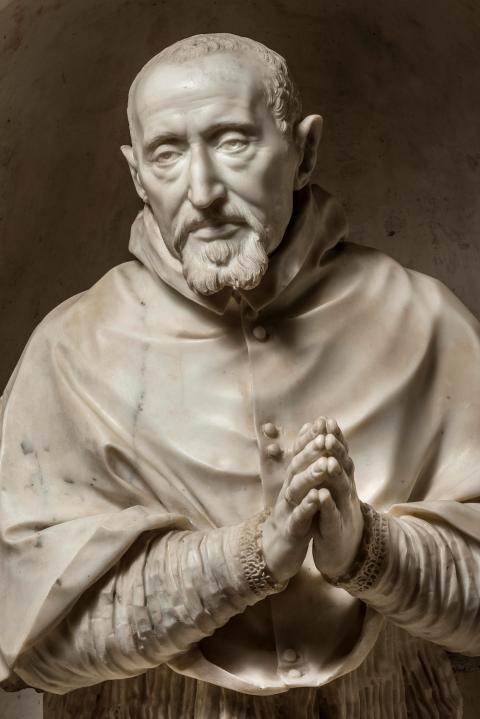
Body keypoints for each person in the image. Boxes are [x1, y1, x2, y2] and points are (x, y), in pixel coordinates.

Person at [1, 33, 479, 719]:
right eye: (168, 153)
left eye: (233, 142)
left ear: (303, 152)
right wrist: (248, 557)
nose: (203, 191)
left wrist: (369, 550)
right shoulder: (71, 353)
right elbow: (26, 643)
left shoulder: (426, 322)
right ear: (138, 176)